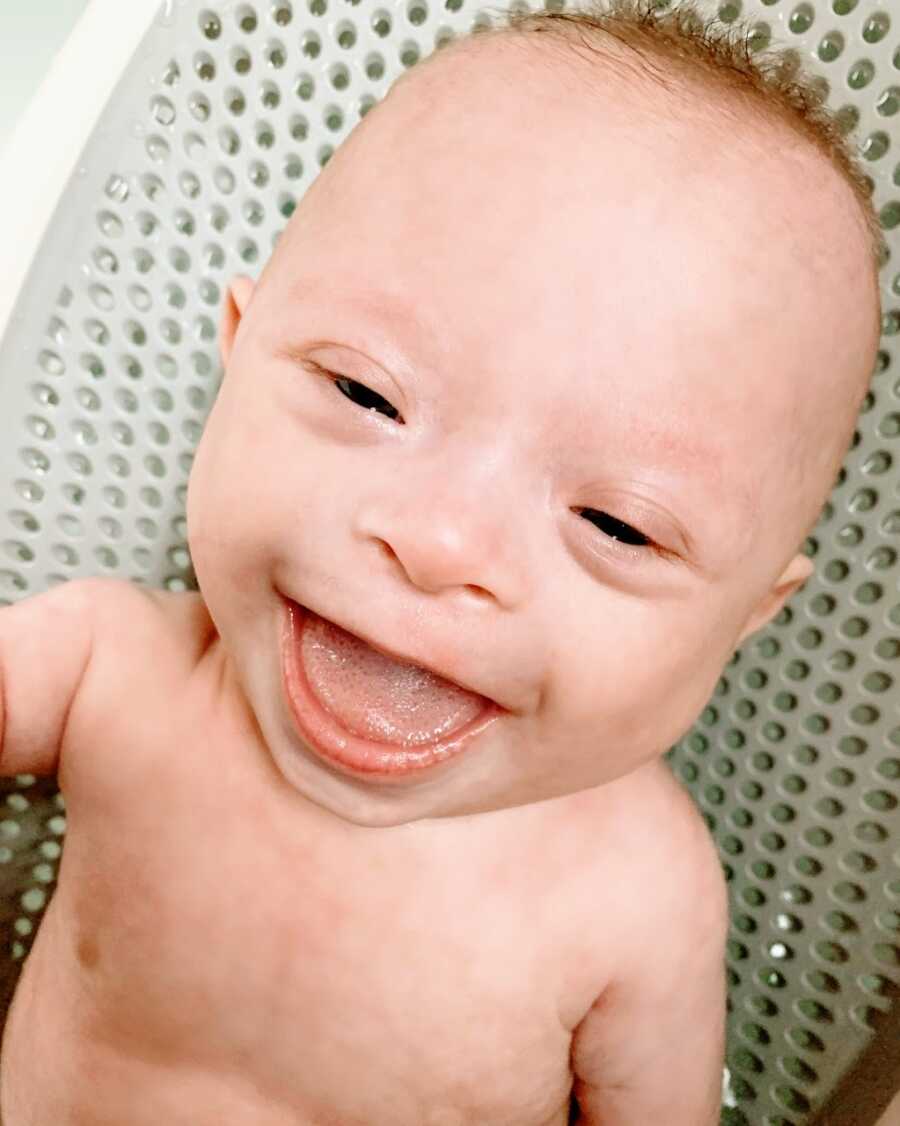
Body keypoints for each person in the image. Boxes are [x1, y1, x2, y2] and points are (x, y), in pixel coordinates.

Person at [0, 0, 883, 1121]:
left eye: (617, 524)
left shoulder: (635, 901)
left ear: (749, 614)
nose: (438, 544)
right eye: (366, 394)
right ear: (239, 349)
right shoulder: (107, 669)